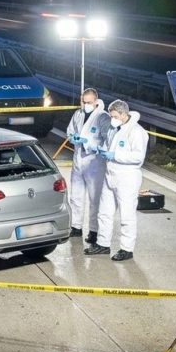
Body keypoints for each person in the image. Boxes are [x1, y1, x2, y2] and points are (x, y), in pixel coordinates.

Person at [85, 100, 149, 261]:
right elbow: (110, 146)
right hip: (110, 175)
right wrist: (102, 150)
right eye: (111, 116)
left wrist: (115, 156)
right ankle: (103, 244)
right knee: (104, 212)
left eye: (114, 116)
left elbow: (138, 157)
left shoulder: (137, 132)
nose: (112, 119)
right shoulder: (115, 129)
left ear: (123, 114)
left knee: (126, 215)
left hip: (127, 178)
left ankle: (127, 249)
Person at [65, 88, 110, 244]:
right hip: (78, 160)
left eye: (89, 102)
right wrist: (73, 138)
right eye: (83, 102)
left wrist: (90, 144)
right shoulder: (78, 114)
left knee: (94, 198)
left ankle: (94, 231)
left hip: (94, 162)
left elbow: (108, 139)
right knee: (76, 196)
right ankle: (76, 226)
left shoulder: (103, 117)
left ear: (96, 101)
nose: (86, 105)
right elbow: (70, 131)